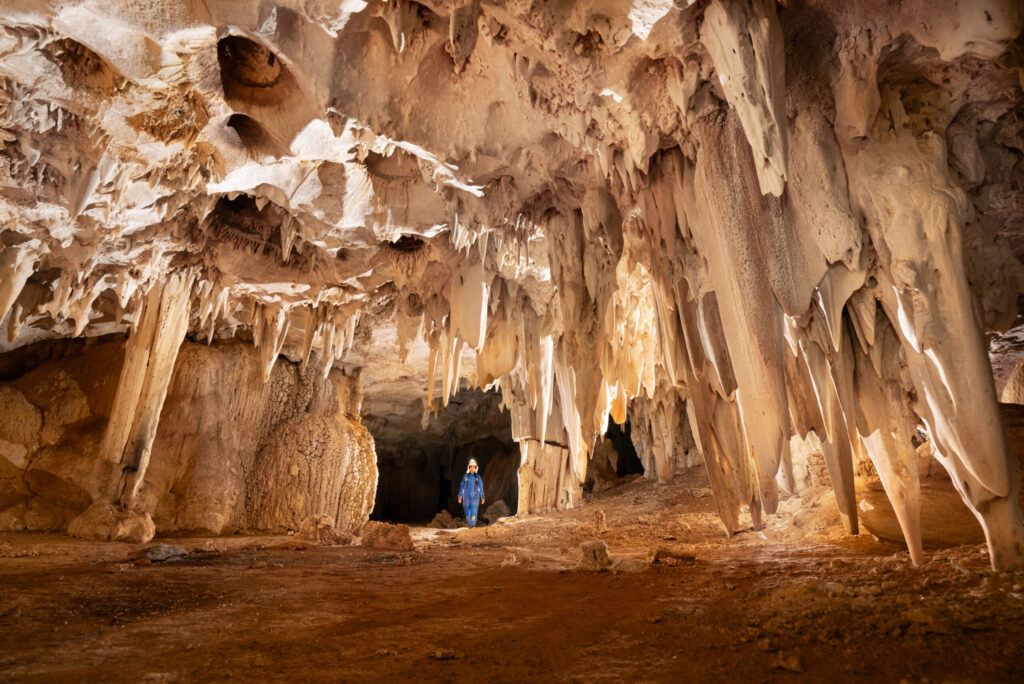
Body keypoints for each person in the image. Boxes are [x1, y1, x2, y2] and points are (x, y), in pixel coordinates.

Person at [458, 459, 485, 527]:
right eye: (471, 466)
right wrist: (460, 496)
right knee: (466, 508)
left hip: (475, 496)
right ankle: (469, 522)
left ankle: (472, 524)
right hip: (466, 496)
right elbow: (462, 486)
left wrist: (482, 496)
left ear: (475, 468)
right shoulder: (465, 476)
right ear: (469, 467)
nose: (472, 468)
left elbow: (480, 487)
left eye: (473, 467)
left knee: (474, 509)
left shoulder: (478, 477)